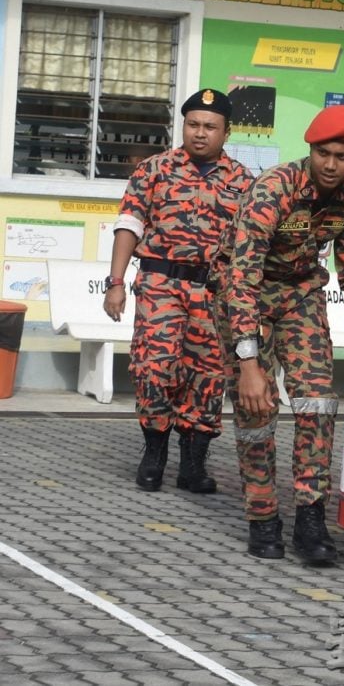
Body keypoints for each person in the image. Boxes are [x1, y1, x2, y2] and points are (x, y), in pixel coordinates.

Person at [212, 105, 344, 563]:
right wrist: (249, 364)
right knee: (256, 408)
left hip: (300, 293)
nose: (330, 164)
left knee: (319, 400)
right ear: (310, 150)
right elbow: (240, 276)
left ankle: (310, 516)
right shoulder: (274, 190)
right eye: (323, 153)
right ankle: (262, 516)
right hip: (245, 293)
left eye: (342, 155)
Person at [103, 88, 253, 494]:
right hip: (159, 286)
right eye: (193, 124)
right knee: (154, 369)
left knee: (207, 377)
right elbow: (129, 225)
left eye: (210, 126)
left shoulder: (244, 181)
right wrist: (115, 283)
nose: (200, 133)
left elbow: (253, 244)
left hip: (214, 293)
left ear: (226, 132)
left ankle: (192, 465)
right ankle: (154, 454)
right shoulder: (153, 169)